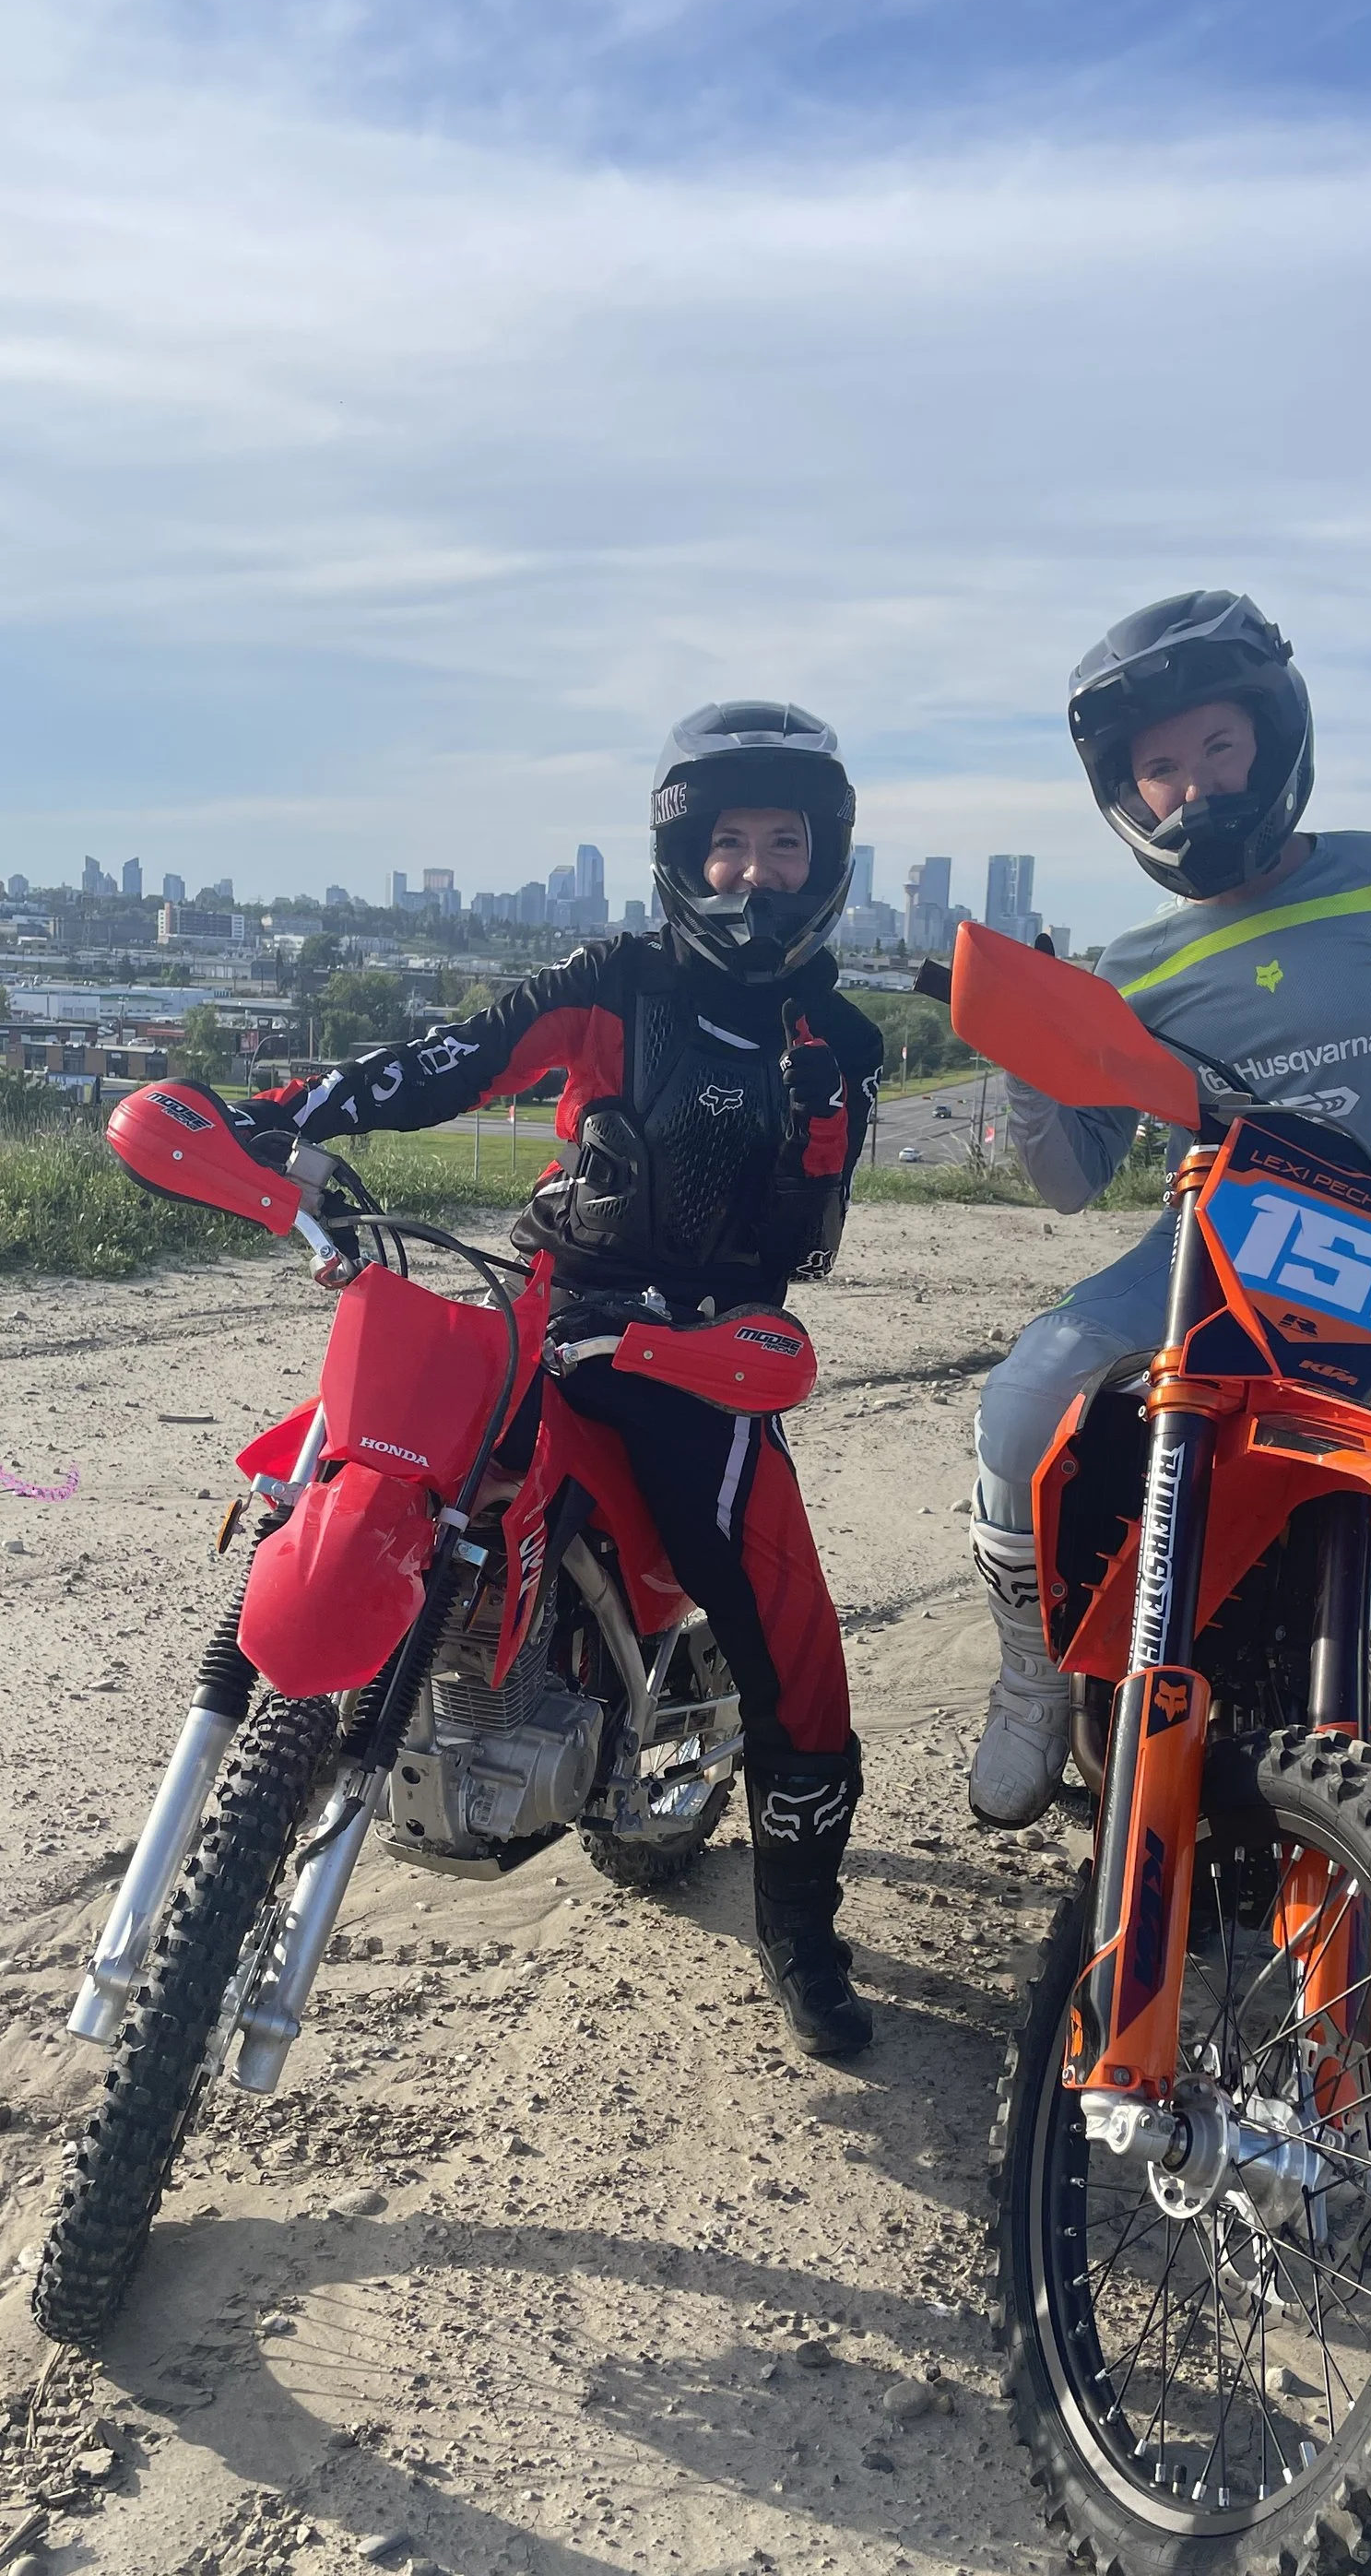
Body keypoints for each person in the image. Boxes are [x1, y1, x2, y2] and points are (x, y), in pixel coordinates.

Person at [238, 703, 885, 2060]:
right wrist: (301, 1113)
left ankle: (800, 1930)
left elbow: (793, 1233)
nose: (751, 871)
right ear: (683, 855)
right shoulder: (617, 981)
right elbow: (463, 1057)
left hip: (705, 1350)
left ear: (824, 858)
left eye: (782, 843)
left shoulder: (837, 1036)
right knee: (363, 1462)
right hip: (553, 1299)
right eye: (726, 844)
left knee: (794, 1642)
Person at [969, 591, 1371, 1839]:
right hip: (1204, 1259)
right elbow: (1070, 1176)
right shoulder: (1131, 965)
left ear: (1273, 739)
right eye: (1159, 768)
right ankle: (1034, 1671)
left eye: (1217, 751)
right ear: (1126, 796)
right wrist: (1027, 1051)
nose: (1192, 786)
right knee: (1022, 1399)